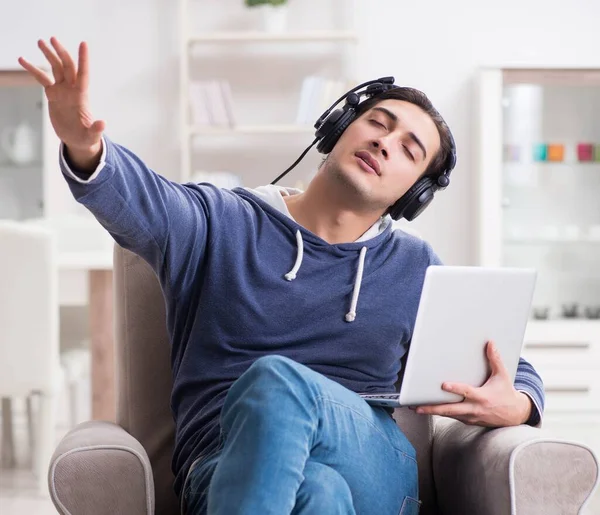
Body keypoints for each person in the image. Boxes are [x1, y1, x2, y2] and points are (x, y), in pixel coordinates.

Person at [19, 38, 544, 515]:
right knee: (318, 492)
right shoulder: (219, 221)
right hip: (220, 467)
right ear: (337, 130)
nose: (385, 143)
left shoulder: (415, 267)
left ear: (413, 195)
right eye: (378, 123)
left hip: (373, 465)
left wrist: (516, 402)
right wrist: (86, 149)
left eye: (409, 150)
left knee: (278, 381)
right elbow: (142, 200)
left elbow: (510, 368)